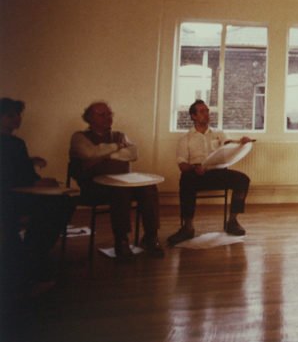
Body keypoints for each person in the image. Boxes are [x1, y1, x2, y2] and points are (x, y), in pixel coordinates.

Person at [69, 101, 164, 260]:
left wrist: (103, 155)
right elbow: (89, 153)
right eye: (102, 114)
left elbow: (133, 153)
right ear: (89, 118)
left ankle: (151, 236)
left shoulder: (120, 135)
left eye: (110, 114)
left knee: (149, 187)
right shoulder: (79, 137)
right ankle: (122, 240)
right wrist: (116, 148)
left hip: (123, 183)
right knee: (120, 191)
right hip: (94, 187)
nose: (108, 117)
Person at [0, 98, 75, 292]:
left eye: (18, 115)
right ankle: (32, 257)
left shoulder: (17, 142)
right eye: (10, 115)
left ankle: (33, 251)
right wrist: (35, 182)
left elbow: (21, 170)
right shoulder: (11, 143)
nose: (17, 119)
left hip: (19, 192)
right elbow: (9, 175)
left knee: (64, 201)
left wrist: (35, 173)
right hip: (8, 196)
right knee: (54, 207)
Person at [167, 100, 253, 246]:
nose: (206, 114)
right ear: (193, 116)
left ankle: (232, 221)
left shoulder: (218, 133)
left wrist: (242, 142)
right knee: (186, 180)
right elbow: (182, 165)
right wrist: (195, 167)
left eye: (207, 111)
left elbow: (229, 145)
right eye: (202, 111)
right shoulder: (185, 138)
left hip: (218, 172)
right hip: (197, 174)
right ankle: (188, 227)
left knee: (243, 179)